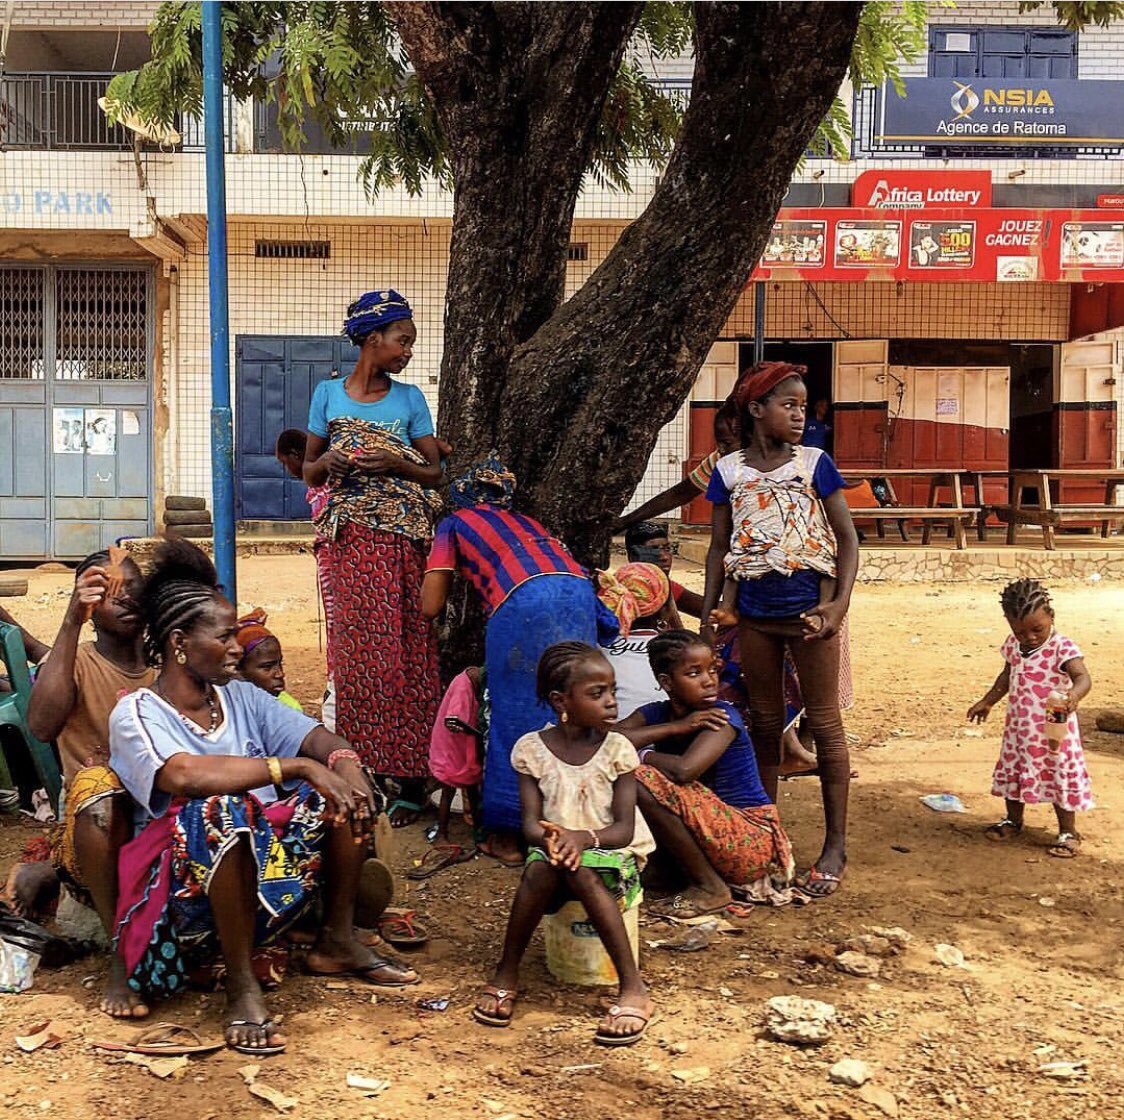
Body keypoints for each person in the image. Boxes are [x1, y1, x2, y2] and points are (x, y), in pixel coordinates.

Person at [109, 539, 415, 1056]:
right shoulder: (138, 713)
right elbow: (184, 774)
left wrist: (343, 765)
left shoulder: (243, 698)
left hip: (273, 884)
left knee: (333, 791)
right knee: (220, 809)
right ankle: (240, 983)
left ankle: (335, 939)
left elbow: (318, 739)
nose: (236, 648)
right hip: (189, 903)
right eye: (225, 636)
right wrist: (292, 766)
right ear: (180, 642)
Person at [701, 361, 857, 899]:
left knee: (826, 726)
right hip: (755, 618)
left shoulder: (814, 464)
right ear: (756, 410)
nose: (799, 415)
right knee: (765, 724)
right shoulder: (729, 473)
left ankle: (835, 845)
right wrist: (712, 617)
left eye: (801, 406)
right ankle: (768, 837)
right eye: (788, 406)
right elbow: (721, 550)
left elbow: (848, 542)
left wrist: (836, 608)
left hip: (811, 615)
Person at [302, 290, 442, 827]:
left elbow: (433, 474)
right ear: (371, 339)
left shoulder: (409, 401)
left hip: (403, 542)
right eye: (401, 341)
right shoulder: (326, 395)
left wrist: (397, 464)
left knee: (407, 653)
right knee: (358, 657)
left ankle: (411, 779)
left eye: (410, 343)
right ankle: (363, 774)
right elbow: (310, 469)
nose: (407, 351)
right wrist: (329, 461)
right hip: (350, 543)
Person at [421, 456, 602, 865]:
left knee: (513, 716)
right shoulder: (530, 524)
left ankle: (507, 834)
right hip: (579, 596)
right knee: (572, 709)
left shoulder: (454, 523)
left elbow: (430, 605)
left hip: (522, 601)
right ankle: (576, 819)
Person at [473, 642, 654, 1046]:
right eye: (597, 694)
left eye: (612, 691)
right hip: (553, 850)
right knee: (543, 865)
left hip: (611, 854)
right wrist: (556, 839)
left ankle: (633, 988)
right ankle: (507, 971)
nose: (610, 702)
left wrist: (580, 839)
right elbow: (531, 826)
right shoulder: (532, 750)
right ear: (560, 700)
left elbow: (623, 829)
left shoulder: (617, 750)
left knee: (580, 868)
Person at [14, 551, 155, 1018]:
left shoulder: (166, 663)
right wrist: (72, 620)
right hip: (97, 824)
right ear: (91, 606)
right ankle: (120, 952)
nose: (126, 598)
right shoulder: (76, 661)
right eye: (109, 592)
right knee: (99, 787)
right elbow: (40, 725)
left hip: (158, 811)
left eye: (133, 586)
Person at [619, 630, 793, 917]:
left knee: (639, 777)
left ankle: (711, 888)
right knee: (621, 769)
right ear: (666, 683)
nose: (709, 679)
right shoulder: (657, 713)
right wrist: (675, 728)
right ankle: (676, 873)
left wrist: (643, 754)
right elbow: (607, 739)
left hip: (749, 839)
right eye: (694, 673)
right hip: (713, 834)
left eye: (712, 669)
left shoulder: (722, 717)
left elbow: (684, 770)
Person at [967, 578, 1093, 858]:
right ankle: (1013, 820)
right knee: (1015, 771)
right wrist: (987, 701)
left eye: (1037, 629)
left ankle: (1068, 831)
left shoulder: (1062, 647)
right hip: (1019, 730)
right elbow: (1006, 676)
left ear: (1051, 617)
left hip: (1053, 733)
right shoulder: (1013, 645)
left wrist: (1074, 695)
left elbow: (1083, 677)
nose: (1030, 637)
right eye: (1020, 632)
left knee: (1058, 774)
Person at [597, 562, 675, 719]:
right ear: (665, 612)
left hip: (608, 737)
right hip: (664, 738)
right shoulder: (679, 651)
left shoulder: (593, 647)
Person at [235, 609, 303, 711]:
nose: (280, 674)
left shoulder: (289, 708)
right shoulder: (228, 712)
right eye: (267, 667)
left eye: (280, 664)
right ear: (238, 670)